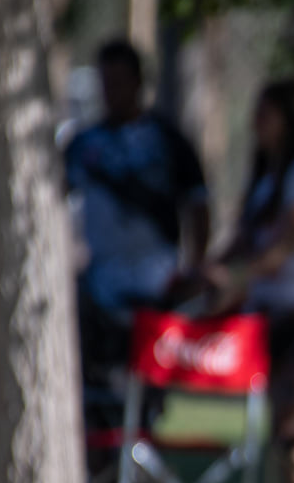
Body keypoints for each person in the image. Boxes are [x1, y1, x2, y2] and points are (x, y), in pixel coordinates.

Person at [202, 80, 294, 483]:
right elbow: (242, 241)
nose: (256, 124)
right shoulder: (264, 177)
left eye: (266, 114)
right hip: (264, 315)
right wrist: (207, 270)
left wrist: (237, 276)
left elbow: (287, 244)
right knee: (280, 427)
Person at [65, 39, 210, 333]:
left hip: (158, 280)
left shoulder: (167, 139)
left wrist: (194, 268)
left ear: (138, 82)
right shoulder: (83, 145)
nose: (111, 91)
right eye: (106, 82)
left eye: (119, 81)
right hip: (100, 282)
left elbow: (199, 203)